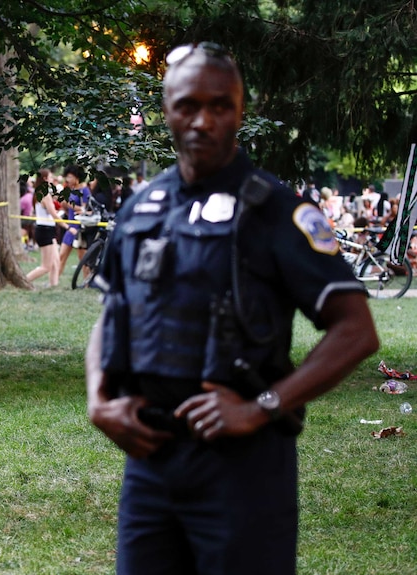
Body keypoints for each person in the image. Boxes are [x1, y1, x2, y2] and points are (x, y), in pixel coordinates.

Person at [85, 43, 379, 575]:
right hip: (150, 462)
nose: (203, 120)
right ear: (166, 108)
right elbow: (112, 311)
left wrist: (261, 405)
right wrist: (98, 400)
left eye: (220, 105)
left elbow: (356, 331)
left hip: (242, 468)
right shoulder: (141, 206)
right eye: (187, 104)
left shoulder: (277, 210)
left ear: (240, 111)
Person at [26, 169, 64, 288]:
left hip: (48, 229)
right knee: (46, 266)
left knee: (56, 261)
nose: (52, 179)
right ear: (45, 178)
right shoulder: (44, 194)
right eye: (50, 177)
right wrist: (67, 226)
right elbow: (53, 214)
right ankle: (23, 281)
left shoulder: (41, 192)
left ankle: (53, 285)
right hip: (45, 229)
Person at [56, 164, 91, 277]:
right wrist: (63, 204)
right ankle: (54, 281)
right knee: (61, 256)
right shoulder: (70, 190)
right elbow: (67, 210)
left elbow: (84, 210)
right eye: (67, 177)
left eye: (70, 177)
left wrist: (69, 204)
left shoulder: (85, 190)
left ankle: (86, 283)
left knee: (83, 258)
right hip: (70, 227)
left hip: (80, 229)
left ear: (77, 177)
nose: (68, 179)